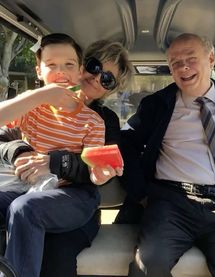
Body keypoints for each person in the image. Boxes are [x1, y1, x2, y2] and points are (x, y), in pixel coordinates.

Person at [0, 35, 132, 277]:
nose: (96, 77)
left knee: (51, 246)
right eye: (94, 66)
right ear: (84, 65)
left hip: (74, 196)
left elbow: (96, 168)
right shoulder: (35, 106)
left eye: (107, 79)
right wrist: (20, 151)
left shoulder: (101, 120)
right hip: (30, 188)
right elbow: (3, 134)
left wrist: (54, 161)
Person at [119, 33, 215, 277]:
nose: (183, 67)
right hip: (172, 205)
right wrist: (140, 191)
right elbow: (125, 144)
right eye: (174, 62)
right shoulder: (156, 105)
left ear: (211, 59)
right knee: (148, 264)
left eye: (191, 59)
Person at [0, 33, 105, 193]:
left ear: (80, 71)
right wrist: (40, 96)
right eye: (51, 65)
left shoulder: (93, 121)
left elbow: (93, 166)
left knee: (24, 208)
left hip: (65, 190)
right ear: (39, 71)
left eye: (69, 64)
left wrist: (100, 174)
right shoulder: (31, 103)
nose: (61, 71)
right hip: (24, 180)